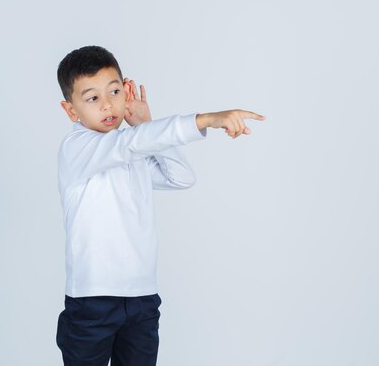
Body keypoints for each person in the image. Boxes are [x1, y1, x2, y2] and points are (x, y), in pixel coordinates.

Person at [55, 45, 265, 366]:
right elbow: (129, 144)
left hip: (142, 298)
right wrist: (205, 119)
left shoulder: (133, 151)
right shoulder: (78, 148)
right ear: (72, 110)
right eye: (93, 98)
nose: (108, 104)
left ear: (125, 91)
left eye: (114, 91)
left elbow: (180, 177)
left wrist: (143, 122)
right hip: (92, 300)